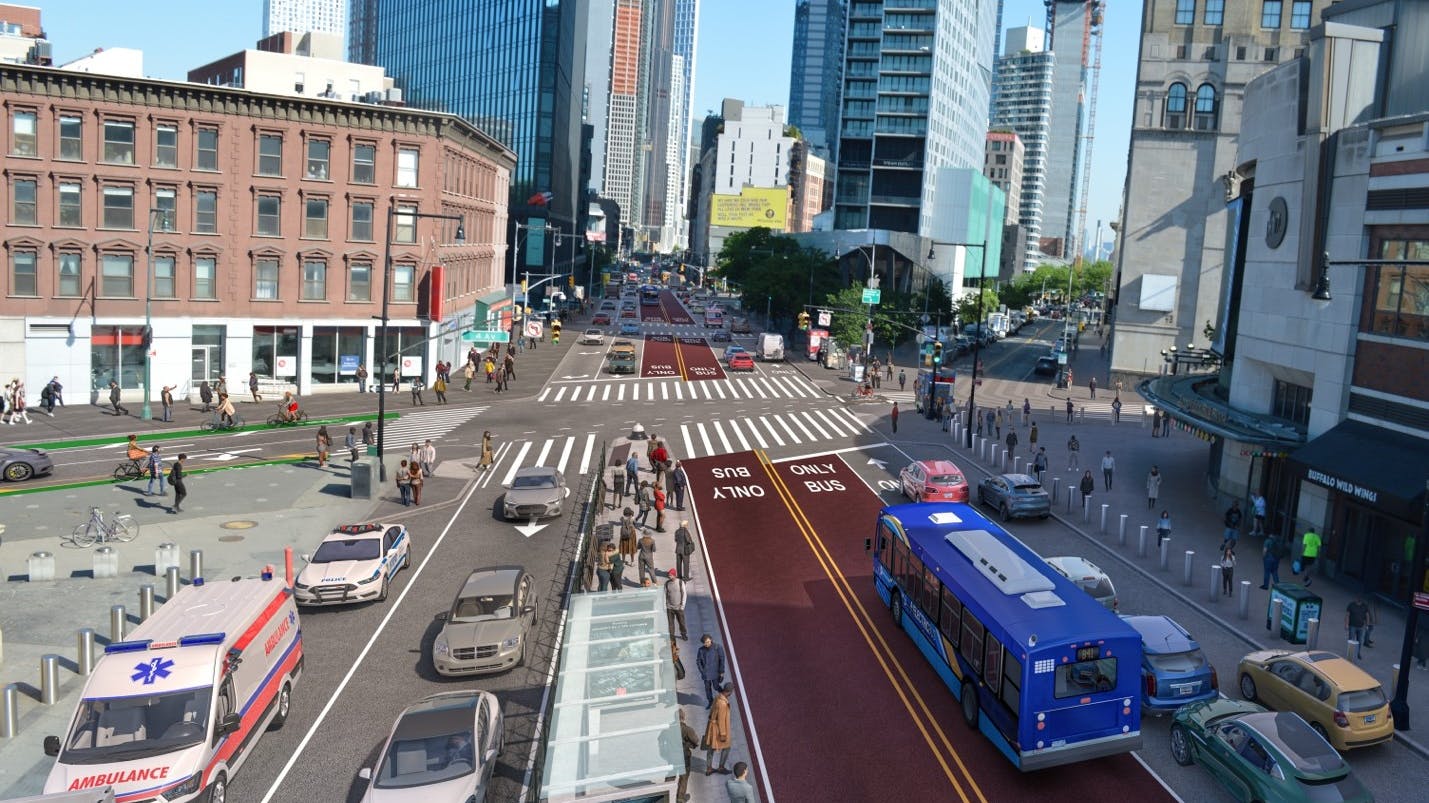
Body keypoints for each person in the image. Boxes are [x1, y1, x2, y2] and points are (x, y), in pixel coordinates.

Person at [703, 683, 733, 775]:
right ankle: (721, 767)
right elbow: (721, 720)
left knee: (710, 748)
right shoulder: (723, 704)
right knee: (727, 747)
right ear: (729, 692)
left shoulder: (718, 697)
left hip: (712, 726)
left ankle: (709, 768)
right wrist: (723, 734)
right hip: (717, 729)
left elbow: (712, 710)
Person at [696, 634, 726, 709]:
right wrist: (702, 671)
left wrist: (721, 672)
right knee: (707, 688)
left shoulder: (717, 647)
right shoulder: (701, 650)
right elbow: (698, 661)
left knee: (716, 686)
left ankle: (724, 694)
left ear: (711, 640)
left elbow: (722, 659)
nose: (707, 644)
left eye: (708, 642)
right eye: (705, 643)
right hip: (706, 674)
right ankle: (710, 701)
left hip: (715, 672)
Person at [677, 709, 699, 803]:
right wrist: (689, 745)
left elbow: (660, 742)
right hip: (683, 757)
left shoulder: (669, 729)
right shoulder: (687, 730)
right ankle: (680, 798)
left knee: (670, 776)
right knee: (684, 777)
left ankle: (667, 792)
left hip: (671, 757)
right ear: (683, 717)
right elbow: (696, 741)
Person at [665, 569, 688, 640]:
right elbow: (664, 595)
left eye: (670, 575)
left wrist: (682, 606)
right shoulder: (667, 583)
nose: (669, 577)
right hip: (670, 608)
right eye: (668, 575)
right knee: (670, 624)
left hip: (679, 608)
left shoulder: (680, 582)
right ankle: (672, 636)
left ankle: (683, 634)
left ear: (674, 575)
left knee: (682, 623)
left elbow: (684, 594)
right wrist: (665, 605)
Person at [1346, 594, 1369, 659]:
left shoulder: (1365, 606)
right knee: (1351, 640)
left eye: (1360, 598)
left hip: (1361, 626)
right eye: (1358, 598)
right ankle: (1349, 653)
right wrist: (1346, 624)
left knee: (1359, 641)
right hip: (1352, 626)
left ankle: (1358, 653)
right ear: (1356, 598)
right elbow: (1347, 615)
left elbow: (1367, 616)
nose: (1359, 599)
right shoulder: (1351, 605)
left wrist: (1367, 625)